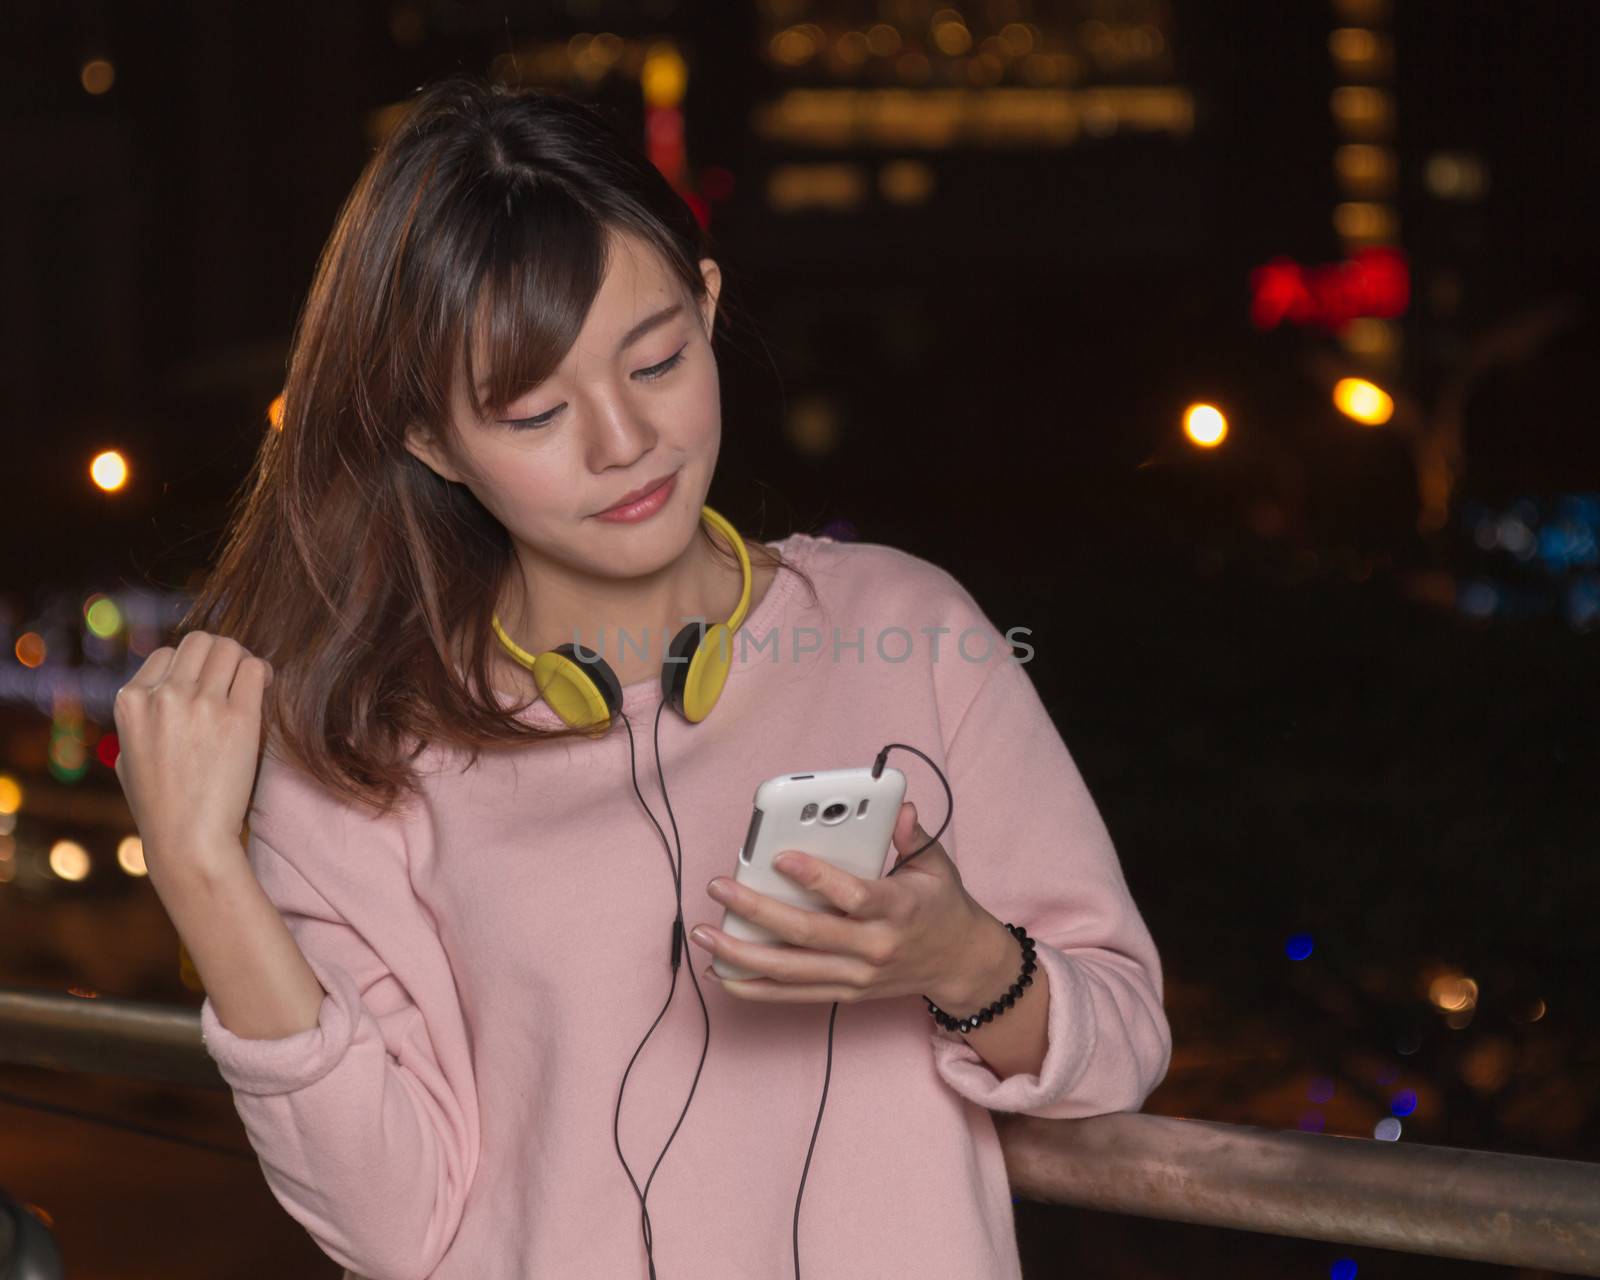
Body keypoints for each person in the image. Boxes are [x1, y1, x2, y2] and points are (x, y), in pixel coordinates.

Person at [111, 74, 1171, 1280]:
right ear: (425, 438)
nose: (624, 444)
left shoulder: (910, 625)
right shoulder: (359, 754)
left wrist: (966, 961)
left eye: (656, 362)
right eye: (532, 412)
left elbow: (1121, 1043)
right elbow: (392, 1229)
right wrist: (203, 872)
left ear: (707, 303)